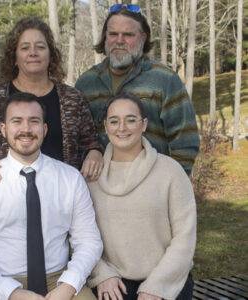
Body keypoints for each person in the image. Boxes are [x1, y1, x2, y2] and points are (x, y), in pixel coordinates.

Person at [0, 92, 103, 300]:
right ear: (3, 129)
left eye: (34, 121)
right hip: (0, 279)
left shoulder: (70, 178)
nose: (26, 129)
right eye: (17, 121)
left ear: (44, 129)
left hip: (58, 278)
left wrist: (69, 285)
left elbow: (89, 241)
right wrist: (11, 292)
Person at [0, 16, 103, 184]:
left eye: (40, 47)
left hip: (62, 195)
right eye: (25, 47)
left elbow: (91, 143)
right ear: (14, 57)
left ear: (51, 55)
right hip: (7, 196)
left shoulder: (73, 98)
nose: (33, 52)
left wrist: (95, 152)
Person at [88, 93, 197, 300]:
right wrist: (101, 274)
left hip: (167, 280)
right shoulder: (92, 176)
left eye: (131, 120)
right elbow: (81, 237)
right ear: (105, 126)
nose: (122, 128)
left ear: (144, 124)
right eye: (114, 121)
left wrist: (157, 286)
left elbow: (185, 238)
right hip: (114, 282)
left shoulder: (170, 171)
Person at [75, 4, 200, 176]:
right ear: (105, 38)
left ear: (143, 37)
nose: (119, 40)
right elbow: (79, 137)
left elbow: (185, 140)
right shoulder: (87, 82)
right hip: (100, 189)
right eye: (113, 34)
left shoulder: (164, 79)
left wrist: (171, 183)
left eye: (128, 35)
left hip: (151, 186)